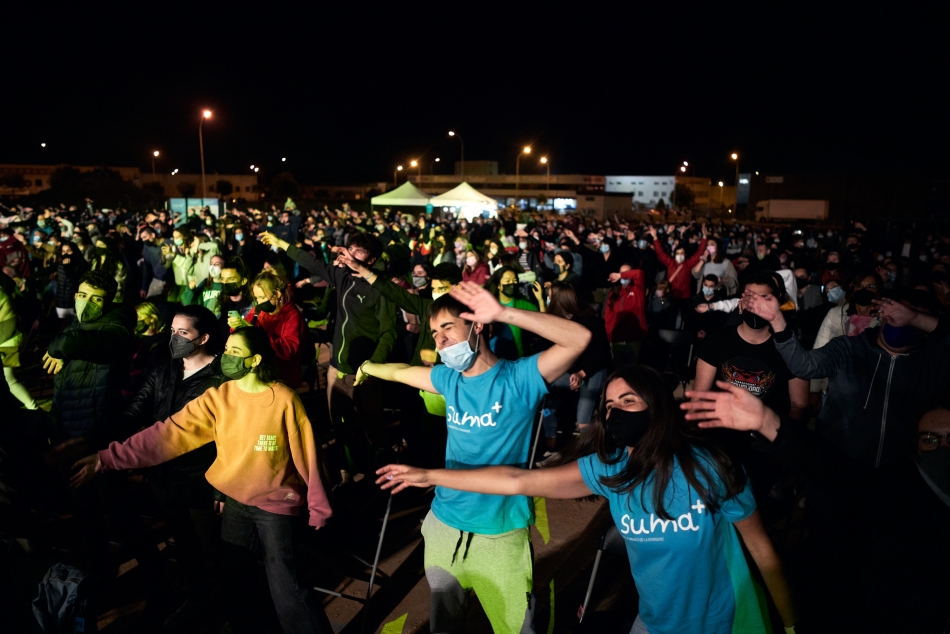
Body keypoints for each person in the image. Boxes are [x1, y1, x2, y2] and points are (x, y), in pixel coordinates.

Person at [377, 365, 800, 634]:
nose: (616, 413)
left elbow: (763, 551)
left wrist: (791, 625)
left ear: (656, 408)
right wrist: (431, 475)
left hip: (727, 623)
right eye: (610, 405)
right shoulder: (608, 469)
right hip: (653, 623)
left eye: (629, 401)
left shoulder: (709, 468)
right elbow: (518, 481)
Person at [358, 283, 592, 633]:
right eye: (434, 332)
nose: (439, 340)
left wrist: (502, 312)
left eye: (447, 327)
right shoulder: (448, 380)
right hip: (444, 527)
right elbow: (400, 373)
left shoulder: (519, 378)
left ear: (476, 324)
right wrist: (368, 366)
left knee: (515, 629)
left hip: (500, 536)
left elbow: (578, 339)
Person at [70, 326, 333, 634]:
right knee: (235, 584)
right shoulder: (219, 398)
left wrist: (318, 505)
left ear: (255, 359)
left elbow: (307, 456)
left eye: (236, 353)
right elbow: (167, 435)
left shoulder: (283, 400)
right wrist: (107, 458)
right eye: (227, 351)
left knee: (286, 585)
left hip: (274, 506)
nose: (227, 358)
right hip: (235, 503)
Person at [118, 304, 226, 619]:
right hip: (162, 476)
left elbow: (228, 437)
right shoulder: (165, 367)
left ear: (203, 337)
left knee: (211, 548)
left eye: (183, 332)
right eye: (172, 331)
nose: (175, 338)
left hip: (200, 478)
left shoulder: (219, 379)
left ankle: (222, 607)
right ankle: (197, 599)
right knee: (183, 543)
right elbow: (137, 410)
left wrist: (222, 489)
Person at [261, 230, 396, 477]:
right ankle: (350, 474)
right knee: (340, 427)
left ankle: (383, 478)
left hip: (364, 371)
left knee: (373, 427)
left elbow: (389, 332)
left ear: (372, 259)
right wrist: (281, 243)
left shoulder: (381, 288)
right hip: (336, 367)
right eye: (350, 249)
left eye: (359, 252)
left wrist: (373, 365)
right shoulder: (343, 276)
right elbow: (312, 262)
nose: (351, 255)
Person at [539, 282, 612, 456]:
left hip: (593, 371)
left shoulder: (590, 321)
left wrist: (581, 374)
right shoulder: (555, 322)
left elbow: (602, 356)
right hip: (571, 373)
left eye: (549, 295)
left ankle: (590, 454)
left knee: (583, 417)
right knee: (547, 404)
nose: (547, 298)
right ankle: (551, 444)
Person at [230, 269, 305, 388]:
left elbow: (289, 349)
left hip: (283, 377)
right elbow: (244, 333)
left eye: (262, 297)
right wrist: (237, 326)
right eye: (256, 298)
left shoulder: (292, 315)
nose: (259, 302)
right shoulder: (258, 311)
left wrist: (258, 333)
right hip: (261, 375)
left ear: (277, 294)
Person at [486, 266, 542, 360]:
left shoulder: (523, 303)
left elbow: (542, 319)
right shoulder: (489, 304)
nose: (512, 284)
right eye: (507, 281)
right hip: (494, 357)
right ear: (499, 285)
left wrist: (540, 300)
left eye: (515, 280)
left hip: (518, 357)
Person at [646, 224, 707, 300]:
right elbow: (660, 252)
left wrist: (704, 237)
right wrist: (655, 237)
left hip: (684, 296)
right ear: (674, 254)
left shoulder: (688, 263)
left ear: (685, 254)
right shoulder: (670, 262)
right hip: (671, 295)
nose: (680, 255)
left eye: (682, 253)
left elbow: (700, 252)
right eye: (677, 253)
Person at [603, 263, 647, 367]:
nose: (624, 275)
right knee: (616, 368)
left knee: (630, 369)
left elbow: (639, 273)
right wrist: (609, 335)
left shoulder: (637, 290)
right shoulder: (614, 292)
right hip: (617, 338)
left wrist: (619, 275)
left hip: (633, 337)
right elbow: (608, 315)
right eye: (621, 273)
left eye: (627, 273)